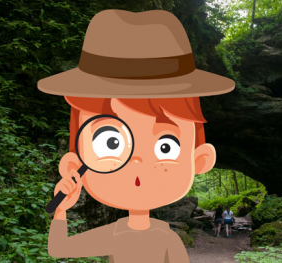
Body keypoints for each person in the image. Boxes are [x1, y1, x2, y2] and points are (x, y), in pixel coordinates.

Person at [38, 9, 234, 262]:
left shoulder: (165, 238)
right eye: (111, 143)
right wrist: (61, 210)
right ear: (75, 163)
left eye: (166, 146)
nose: (137, 161)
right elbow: (59, 249)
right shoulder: (114, 234)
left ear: (199, 159)